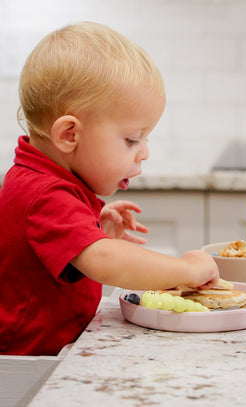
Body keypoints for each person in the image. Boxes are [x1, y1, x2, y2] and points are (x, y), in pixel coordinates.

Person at [0, 22, 219, 356]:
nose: (144, 152)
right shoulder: (46, 194)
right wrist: (185, 270)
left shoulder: (42, 182)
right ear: (69, 135)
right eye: (132, 139)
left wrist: (89, 225)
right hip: (28, 372)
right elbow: (104, 260)